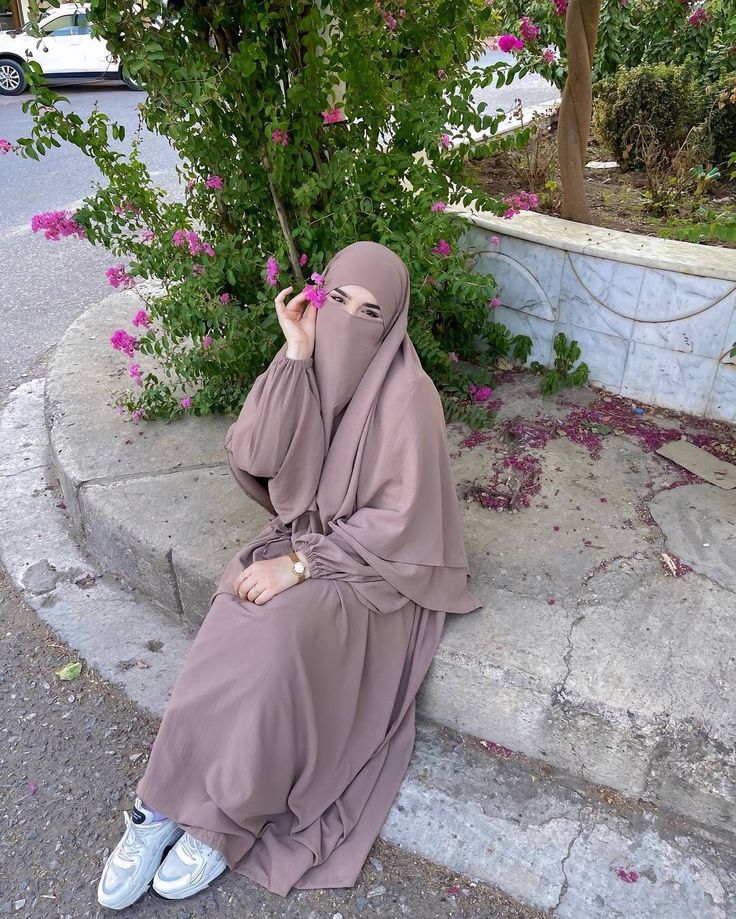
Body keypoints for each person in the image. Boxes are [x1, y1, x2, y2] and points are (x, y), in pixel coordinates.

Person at [97, 240, 482, 910]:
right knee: (231, 615)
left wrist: (300, 565)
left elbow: (401, 524)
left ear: (392, 323)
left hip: (375, 573)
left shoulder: (411, 395)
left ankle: (223, 822)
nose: (348, 320)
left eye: (370, 311)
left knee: (280, 633)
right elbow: (256, 452)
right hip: (307, 540)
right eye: (337, 300)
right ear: (317, 297)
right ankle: (158, 801)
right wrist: (297, 353)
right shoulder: (309, 355)